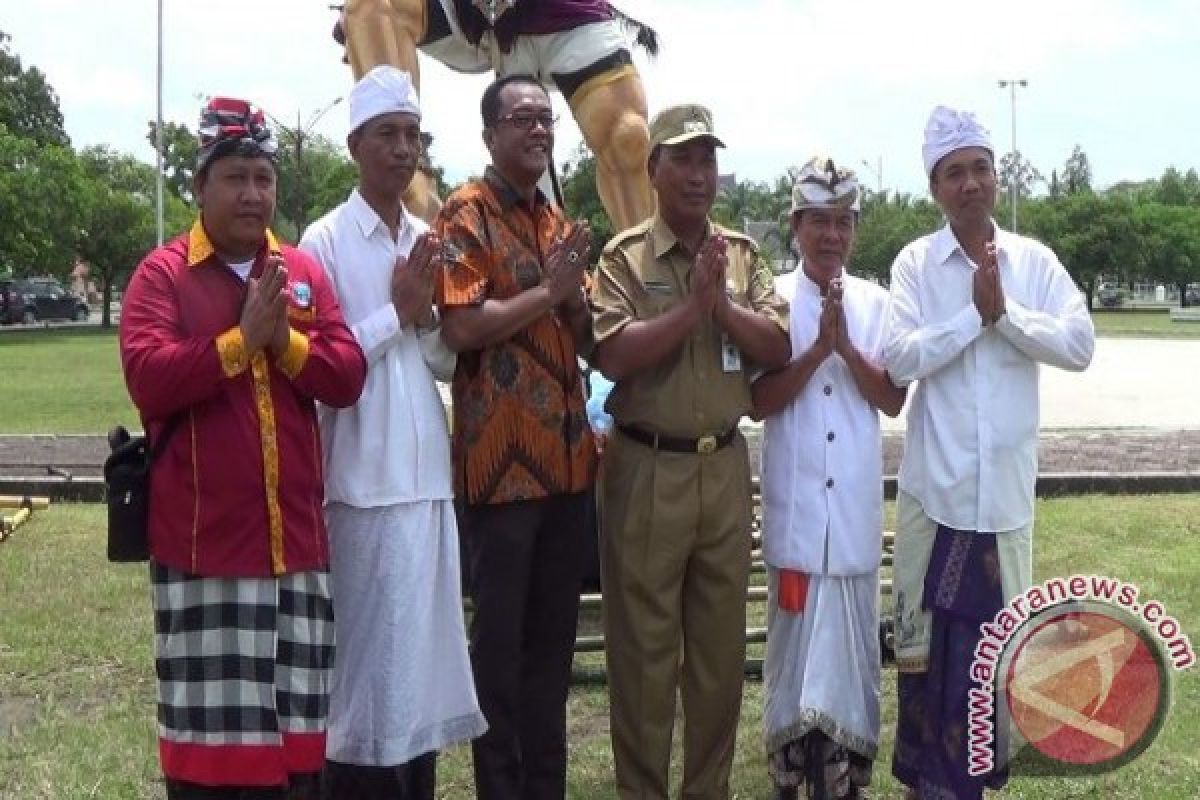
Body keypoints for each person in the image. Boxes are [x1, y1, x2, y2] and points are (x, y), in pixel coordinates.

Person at [118, 97, 367, 800]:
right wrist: (238, 343)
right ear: (199, 187)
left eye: (263, 177)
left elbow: (347, 374)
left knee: (298, 763)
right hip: (206, 555)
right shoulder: (162, 276)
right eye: (235, 177)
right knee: (213, 769)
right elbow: (149, 376)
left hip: (298, 554)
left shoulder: (302, 273)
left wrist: (281, 340)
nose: (253, 193)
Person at [885, 106, 1095, 799]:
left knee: (992, 653)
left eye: (980, 168)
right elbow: (897, 358)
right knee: (931, 652)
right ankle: (928, 784)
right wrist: (971, 317)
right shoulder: (917, 262)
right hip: (936, 497)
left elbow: (1079, 344)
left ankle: (976, 781)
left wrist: (1007, 315)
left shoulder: (1033, 263)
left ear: (996, 178)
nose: (969, 183)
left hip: (1002, 500)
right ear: (935, 188)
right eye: (954, 173)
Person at [590, 102, 791, 800]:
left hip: (724, 467)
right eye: (684, 158)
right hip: (647, 466)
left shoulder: (740, 255)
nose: (700, 174)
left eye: (709, 158)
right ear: (653, 170)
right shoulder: (624, 258)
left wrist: (722, 307)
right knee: (644, 658)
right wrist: (689, 312)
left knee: (719, 657)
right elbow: (612, 354)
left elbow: (777, 345)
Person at [297, 66, 487, 800]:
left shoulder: (424, 236)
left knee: (422, 674)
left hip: (425, 484)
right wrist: (398, 311)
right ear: (355, 146)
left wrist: (432, 317)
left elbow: (438, 359)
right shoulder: (325, 240)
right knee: (370, 672)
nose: (403, 150)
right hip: (361, 488)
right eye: (388, 136)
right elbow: (320, 359)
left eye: (413, 136)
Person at [434, 74, 596, 800]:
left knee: (551, 658)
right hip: (502, 474)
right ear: (491, 133)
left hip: (566, 472)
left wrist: (583, 309)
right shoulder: (466, 212)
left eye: (547, 118)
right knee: (499, 659)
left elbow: (582, 335)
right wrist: (547, 295)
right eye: (523, 118)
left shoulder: (557, 220)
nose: (539, 129)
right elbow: (461, 326)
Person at [752, 157, 906, 800]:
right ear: (795, 225)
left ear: (855, 229)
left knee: (850, 662)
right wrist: (815, 350)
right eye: (819, 221)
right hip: (795, 525)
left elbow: (892, 399)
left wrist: (844, 347)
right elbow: (756, 402)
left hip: (851, 528)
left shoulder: (876, 303)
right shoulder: (770, 300)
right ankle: (794, 779)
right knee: (793, 663)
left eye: (843, 223)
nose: (831, 235)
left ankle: (846, 782)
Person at [337, 0, 655, 230]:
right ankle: (411, 200)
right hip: (479, 21)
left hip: (567, 15)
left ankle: (648, 273)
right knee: (369, 8)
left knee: (627, 137)